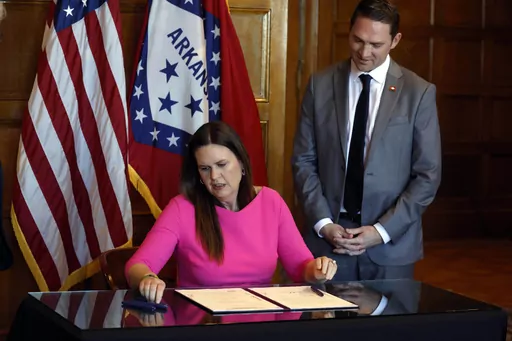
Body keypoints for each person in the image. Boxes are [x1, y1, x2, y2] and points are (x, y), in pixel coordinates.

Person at [292, 0, 441, 281]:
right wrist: (323, 223)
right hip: (327, 241)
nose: (364, 52)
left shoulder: (418, 93)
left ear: (395, 40)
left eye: (375, 44)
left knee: (388, 325)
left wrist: (380, 231)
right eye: (357, 40)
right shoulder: (320, 85)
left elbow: (428, 176)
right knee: (325, 324)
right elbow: (304, 161)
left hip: (390, 245)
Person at [126, 121, 338, 303]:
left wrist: (319, 269)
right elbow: (137, 265)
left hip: (258, 324)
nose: (215, 177)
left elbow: (302, 267)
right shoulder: (182, 208)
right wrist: (147, 278)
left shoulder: (271, 202)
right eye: (205, 168)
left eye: (221, 164)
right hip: (202, 325)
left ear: (241, 163)